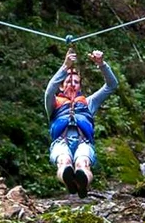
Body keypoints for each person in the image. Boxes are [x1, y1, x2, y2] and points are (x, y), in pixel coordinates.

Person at [44, 48, 118, 198]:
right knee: (64, 161)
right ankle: (69, 181)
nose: (72, 84)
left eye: (76, 82)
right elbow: (49, 90)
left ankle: (83, 183)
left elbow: (112, 85)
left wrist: (102, 64)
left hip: (83, 141)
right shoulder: (53, 103)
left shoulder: (88, 103)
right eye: (68, 81)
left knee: (82, 163)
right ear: (61, 85)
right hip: (61, 142)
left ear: (80, 86)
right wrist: (65, 67)